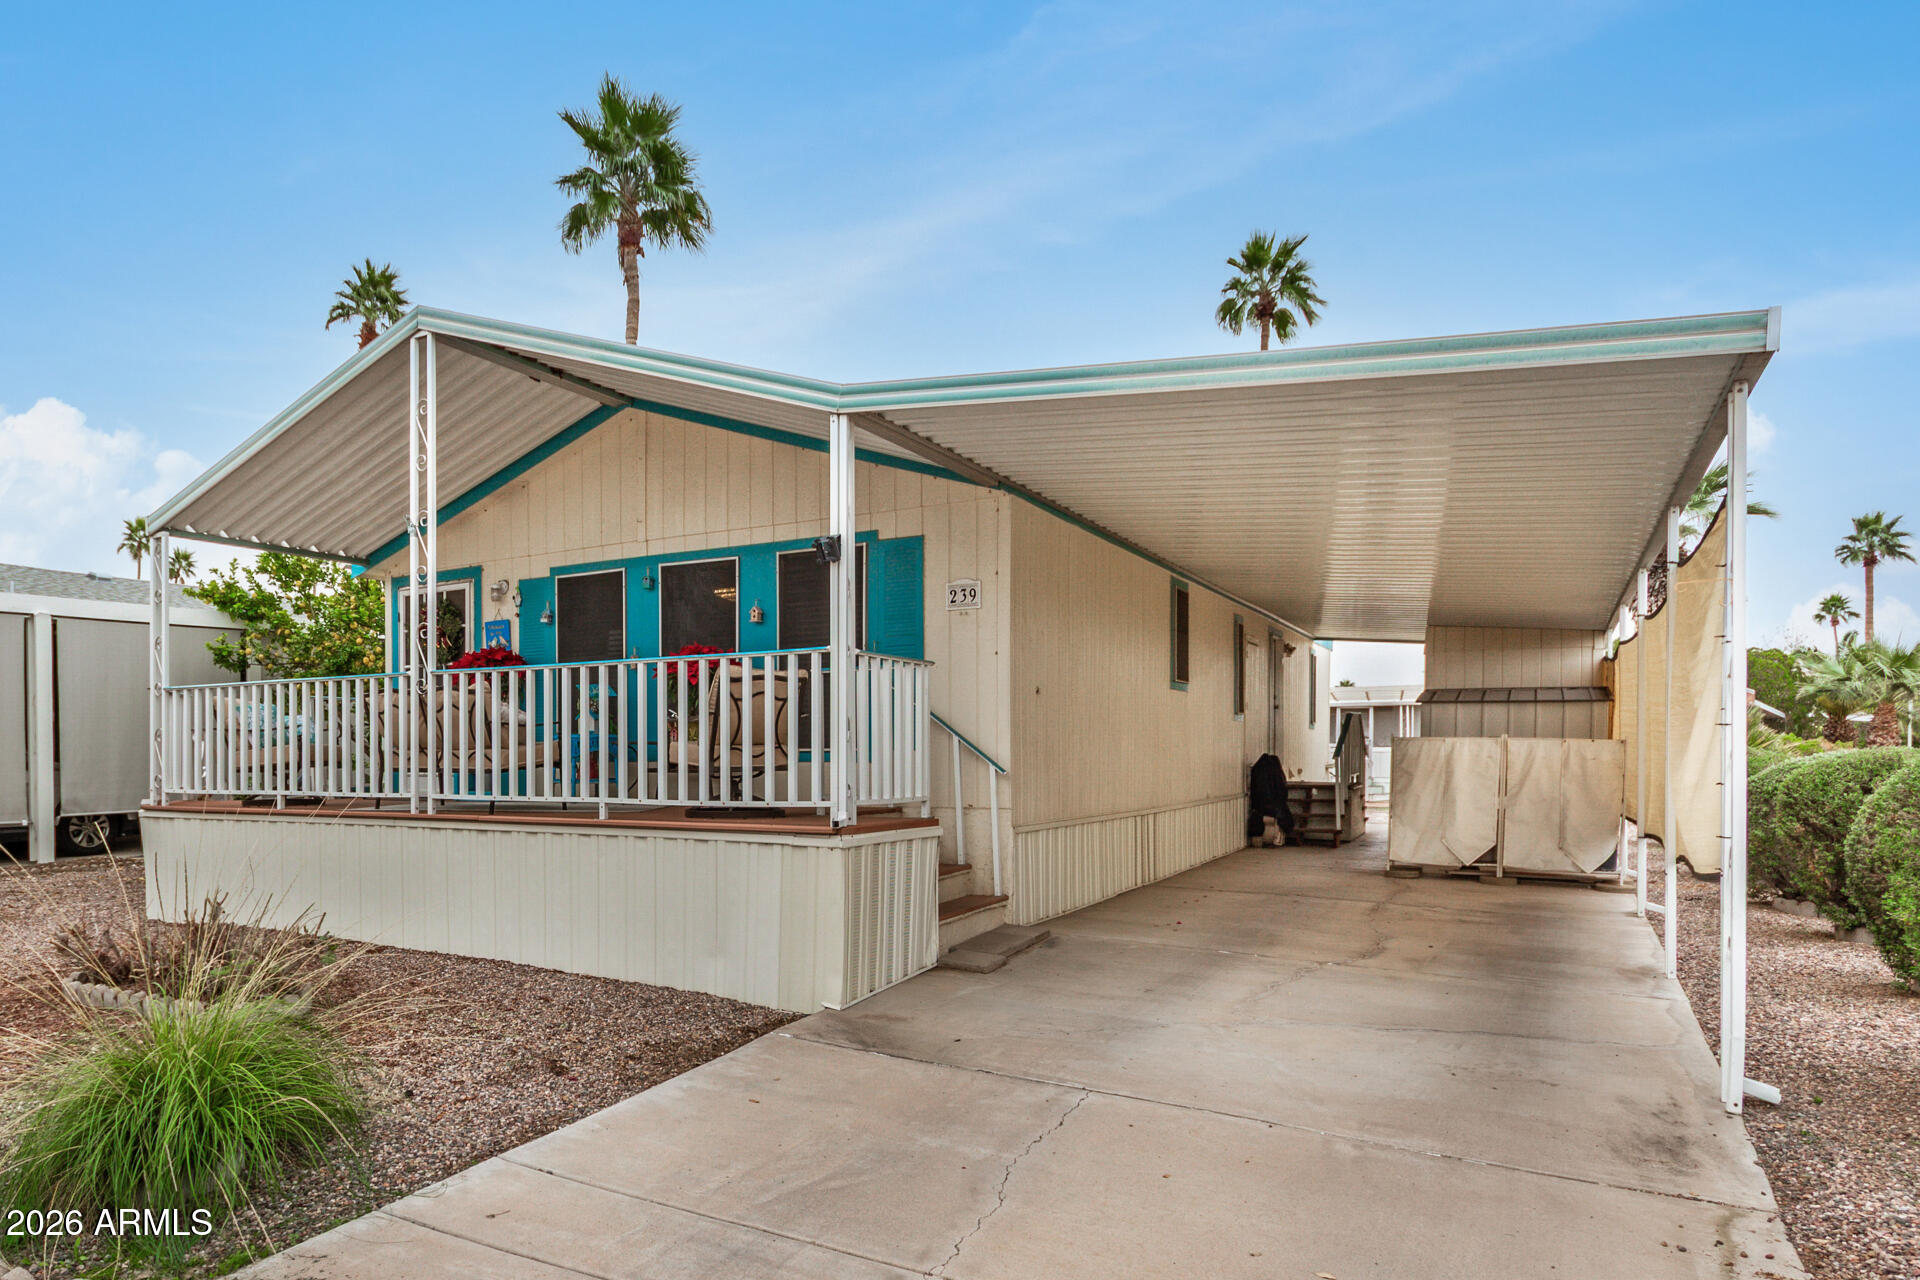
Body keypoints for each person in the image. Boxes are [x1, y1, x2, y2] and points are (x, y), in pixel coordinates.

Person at [1246, 753, 1297, 847]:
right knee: (1284, 817)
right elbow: (1282, 791)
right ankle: (1279, 837)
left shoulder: (1259, 770)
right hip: (1274, 805)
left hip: (1261, 806)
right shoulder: (1276, 773)